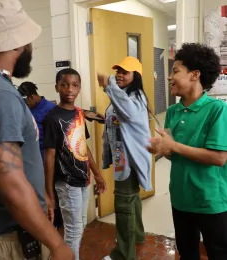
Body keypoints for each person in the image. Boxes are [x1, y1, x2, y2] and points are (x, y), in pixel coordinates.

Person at [0, 1, 74, 259]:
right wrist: (57, 245)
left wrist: (42, 197)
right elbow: (11, 185)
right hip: (8, 240)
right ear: (17, 44)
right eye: (29, 41)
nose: (31, 48)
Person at [148, 43, 227, 260]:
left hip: (210, 201)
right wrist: (161, 147)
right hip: (181, 199)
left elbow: (219, 158)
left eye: (175, 71)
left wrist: (173, 146)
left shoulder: (217, 110)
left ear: (194, 75)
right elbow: (173, 153)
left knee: (218, 253)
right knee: (187, 253)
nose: (169, 77)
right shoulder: (173, 111)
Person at [44, 68, 107, 260]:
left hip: (83, 178)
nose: (69, 89)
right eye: (64, 84)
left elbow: (83, 148)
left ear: (79, 88)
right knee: (73, 231)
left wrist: (96, 173)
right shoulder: (53, 118)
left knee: (80, 224)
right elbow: (49, 156)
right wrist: (49, 194)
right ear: (57, 87)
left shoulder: (79, 114)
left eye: (74, 85)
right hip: (67, 182)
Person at [98, 56, 152, 260]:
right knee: (132, 198)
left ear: (135, 76)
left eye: (124, 72)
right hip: (125, 156)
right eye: (117, 71)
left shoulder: (136, 97)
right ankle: (136, 235)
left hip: (128, 160)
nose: (118, 75)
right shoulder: (125, 95)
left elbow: (128, 112)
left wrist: (108, 84)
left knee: (123, 203)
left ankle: (123, 254)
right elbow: (121, 118)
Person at [18, 81, 63, 229]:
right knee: (38, 190)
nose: (25, 104)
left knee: (52, 190)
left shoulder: (51, 109)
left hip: (49, 157)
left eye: (26, 101)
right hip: (33, 158)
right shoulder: (27, 110)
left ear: (31, 97)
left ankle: (56, 221)